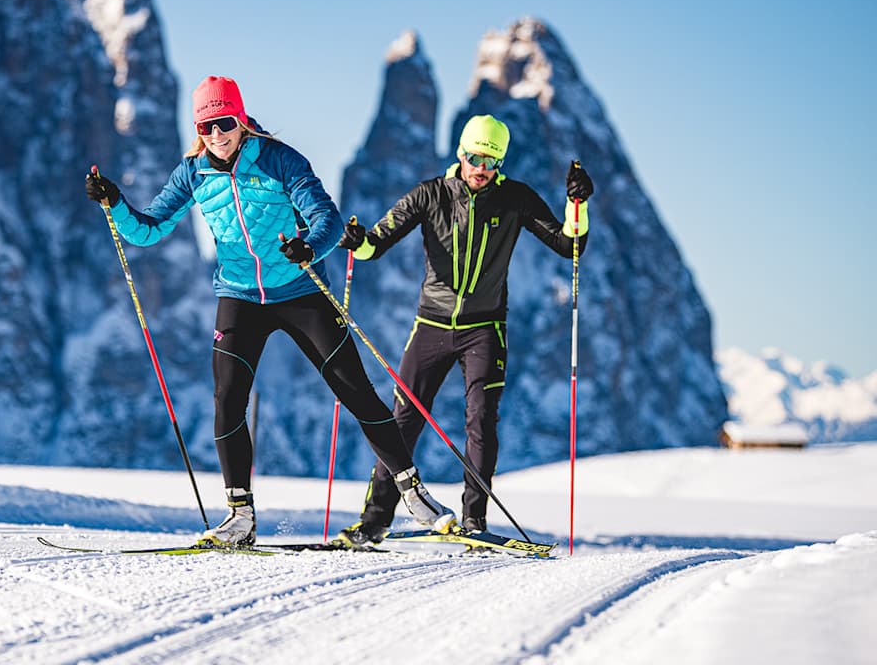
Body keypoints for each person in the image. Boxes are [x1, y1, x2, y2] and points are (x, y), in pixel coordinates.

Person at [85, 75, 455, 547]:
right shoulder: (193, 173)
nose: (217, 136)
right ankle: (240, 516)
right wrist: (114, 203)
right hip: (240, 296)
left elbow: (327, 217)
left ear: (241, 120)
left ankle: (412, 491)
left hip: (298, 290)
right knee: (227, 398)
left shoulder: (280, 159)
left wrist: (309, 248)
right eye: (206, 127)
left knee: (355, 390)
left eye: (225, 123)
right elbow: (149, 230)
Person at [335, 114, 594, 547]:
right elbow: (374, 245)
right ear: (461, 153)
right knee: (401, 420)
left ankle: (474, 519)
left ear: (500, 164)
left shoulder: (515, 198)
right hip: (431, 324)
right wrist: (357, 240)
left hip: (485, 328)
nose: (480, 168)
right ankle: (374, 520)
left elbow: (570, 245)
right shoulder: (431, 194)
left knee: (481, 421)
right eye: (474, 157)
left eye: (490, 162)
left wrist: (577, 205)